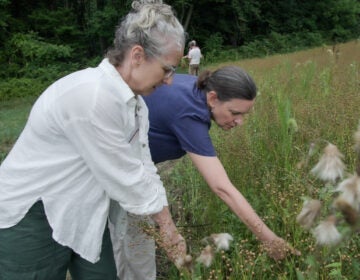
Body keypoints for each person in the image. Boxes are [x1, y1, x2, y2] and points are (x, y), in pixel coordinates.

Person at [0, 1, 187, 279]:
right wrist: (168, 229)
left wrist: (166, 224)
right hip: (34, 213)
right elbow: (127, 178)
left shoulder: (137, 106)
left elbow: (144, 166)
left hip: (86, 211)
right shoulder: (92, 96)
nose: (170, 80)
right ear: (137, 55)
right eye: (168, 69)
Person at [112, 66, 301, 279]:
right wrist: (270, 240)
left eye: (244, 114)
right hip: (113, 167)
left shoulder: (195, 88)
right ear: (213, 98)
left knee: (125, 241)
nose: (240, 122)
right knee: (135, 248)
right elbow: (222, 187)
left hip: (128, 166)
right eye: (235, 113)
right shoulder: (190, 113)